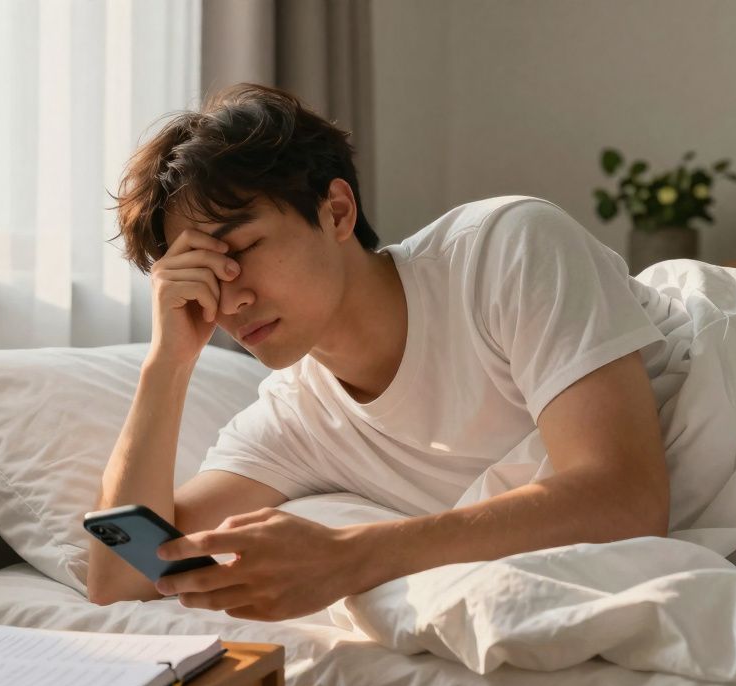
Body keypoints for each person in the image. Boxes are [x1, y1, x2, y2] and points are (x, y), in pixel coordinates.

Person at [86, 82, 672, 621]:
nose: (229, 298)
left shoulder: (505, 250)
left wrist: (352, 556)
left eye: (242, 248)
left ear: (336, 211)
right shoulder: (297, 417)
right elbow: (121, 579)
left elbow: (626, 499)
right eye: (206, 273)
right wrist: (167, 363)